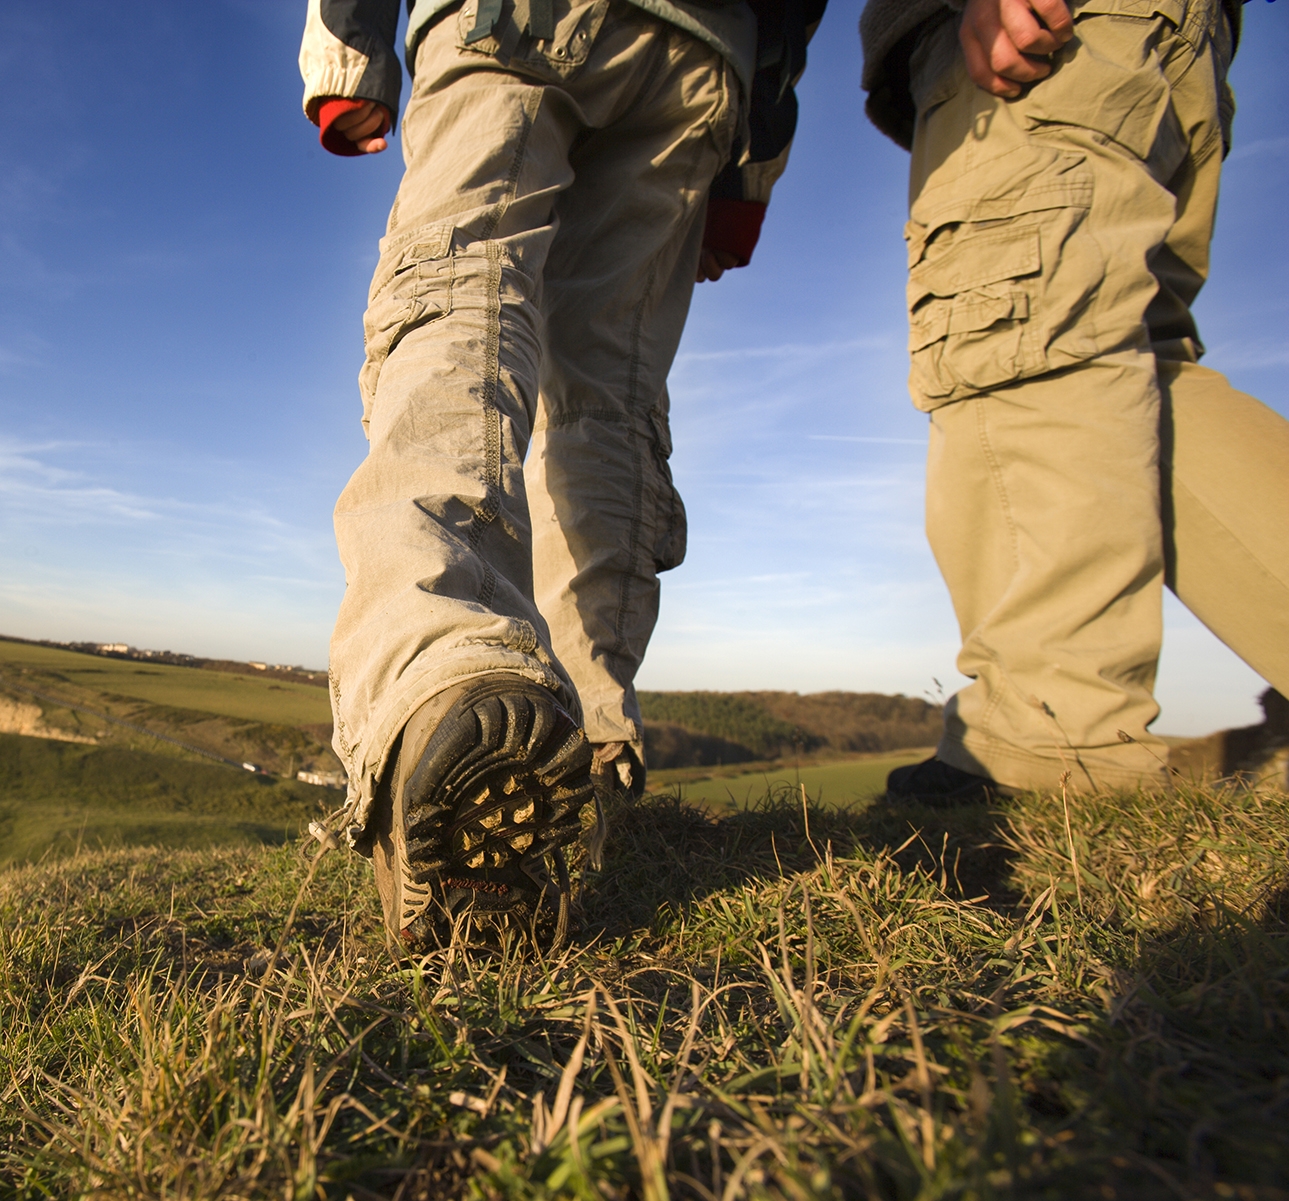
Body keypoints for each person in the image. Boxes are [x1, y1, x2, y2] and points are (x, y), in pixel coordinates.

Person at [300, 0, 824, 947]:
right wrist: (753, 161)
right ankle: (592, 743)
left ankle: (442, 671)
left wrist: (348, 51)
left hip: (522, 17)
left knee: (459, 284)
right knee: (609, 390)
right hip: (712, 58)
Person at [858, 0, 1289, 803]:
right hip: (1151, 36)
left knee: (1021, 335)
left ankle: (1048, 749)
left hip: (1060, 38)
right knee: (1129, 369)